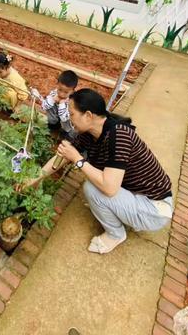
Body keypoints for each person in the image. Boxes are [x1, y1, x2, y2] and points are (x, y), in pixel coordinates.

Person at [31, 89, 173, 254]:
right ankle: (122, 212)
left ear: (88, 115)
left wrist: (77, 159)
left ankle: (116, 234)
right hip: (137, 194)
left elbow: (109, 188)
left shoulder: (119, 135)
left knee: (93, 189)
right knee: (96, 181)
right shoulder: (90, 131)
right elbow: (62, 156)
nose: (69, 118)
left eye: (72, 114)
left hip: (154, 209)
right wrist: (35, 178)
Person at [34, 70, 78, 140]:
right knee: (50, 104)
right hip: (56, 120)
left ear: (72, 90)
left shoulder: (73, 101)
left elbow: (64, 118)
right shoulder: (54, 93)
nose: (61, 94)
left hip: (67, 125)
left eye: (66, 92)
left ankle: (67, 133)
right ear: (57, 84)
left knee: (70, 133)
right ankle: (52, 123)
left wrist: (61, 104)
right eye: (60, 90)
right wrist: (52, 99)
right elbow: (44, 106)